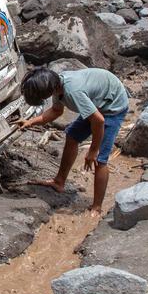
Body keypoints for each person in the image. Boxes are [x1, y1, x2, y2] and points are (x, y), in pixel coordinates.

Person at [18, 66, 129, 215]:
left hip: (112, 106)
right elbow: (56, 111)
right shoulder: (57, 84)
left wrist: (93, 151)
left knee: (100, 160)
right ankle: (59, 182)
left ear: (50, 90)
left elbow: (99, 121)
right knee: (72, 136)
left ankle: (97, 207)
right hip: (97, 103)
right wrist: (30, 122)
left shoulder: (72, 92)